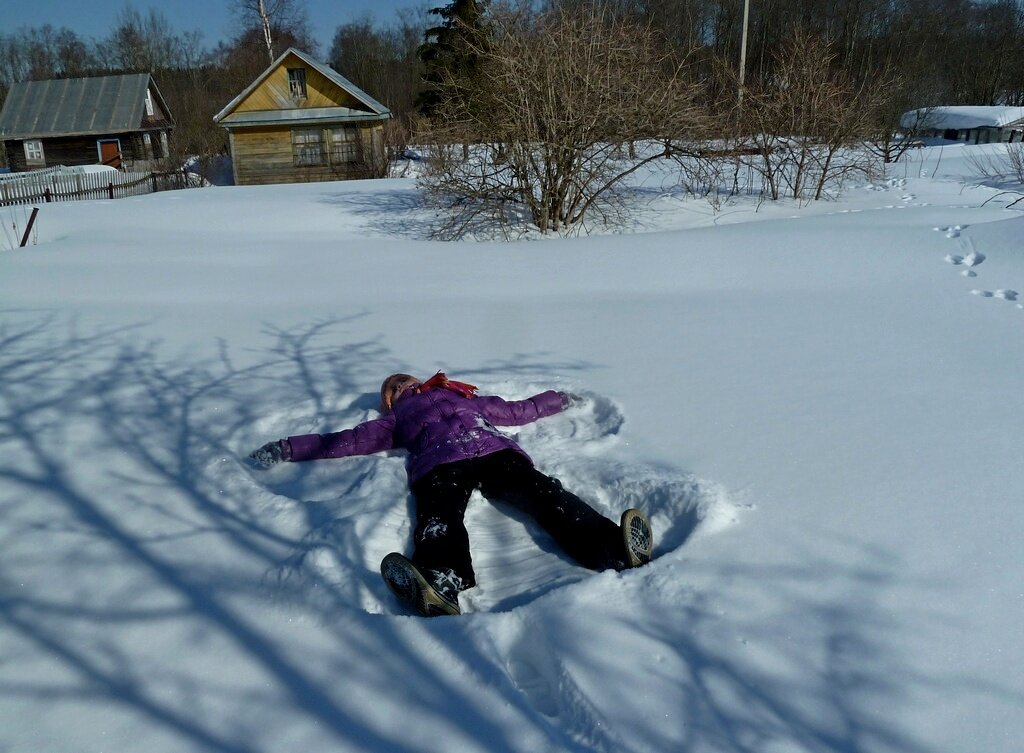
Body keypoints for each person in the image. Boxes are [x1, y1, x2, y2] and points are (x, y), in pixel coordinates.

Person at [250, 371, 653, 617]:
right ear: (389, 400)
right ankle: (442, 581)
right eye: (394, 386)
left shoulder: (462, 397)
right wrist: (288, 447)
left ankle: (611, 547)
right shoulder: (395, 421)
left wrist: (558, 399)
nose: (402, 384)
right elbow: (346, 440)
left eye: (404, 378)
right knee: (438, 514)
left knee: (546, 494)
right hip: (438, 464)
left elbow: (516, 410)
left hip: (495, 451)